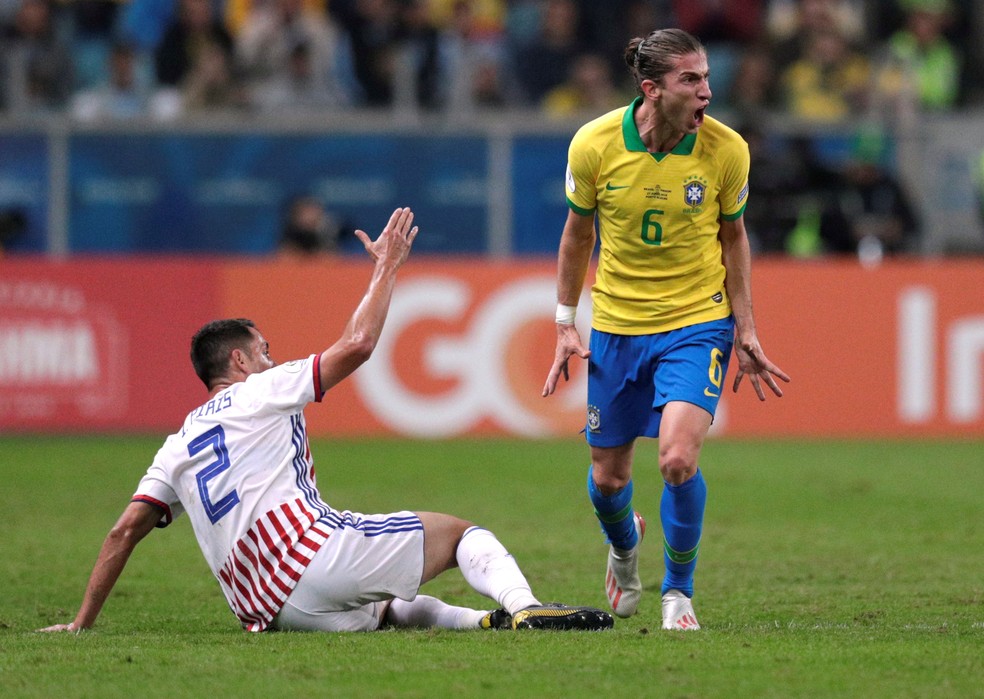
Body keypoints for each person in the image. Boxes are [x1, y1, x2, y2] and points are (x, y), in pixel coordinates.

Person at [39, 207, 613, 636]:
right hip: (309, 560)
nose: (270, 357)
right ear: (238, 362)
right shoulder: (261, 389)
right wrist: (387, 268)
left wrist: (81, 623)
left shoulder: (178, 442)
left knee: (386, 608)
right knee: (463, 534)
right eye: (263, 350)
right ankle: (526, 608)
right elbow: (358, 344)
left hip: (267, 610)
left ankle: (484, 624)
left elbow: (122, 533)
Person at [541, 29, 789, 631]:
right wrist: (564, 322)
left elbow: (734, 237)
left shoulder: (727, 150)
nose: (708, 91)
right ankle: (625, 549)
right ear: (651, 90)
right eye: (691, 80)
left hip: (697, 322)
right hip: (619, 328)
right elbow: (578, 235)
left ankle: (679, 591)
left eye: (706, 78)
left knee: (677, 459)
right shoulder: (594, 144)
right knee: (608, 478)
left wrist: (747, 329)